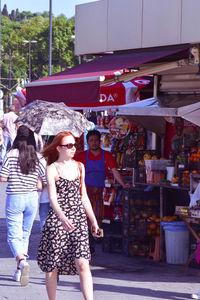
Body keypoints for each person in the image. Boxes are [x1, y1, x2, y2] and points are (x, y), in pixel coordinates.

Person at [37, 131, 99, 300]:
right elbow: (52, 198)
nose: (74, 148)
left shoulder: (80, 166)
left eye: (75, 145)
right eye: (69, 145)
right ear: (59, 148)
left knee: (83, 263)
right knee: (53, 266)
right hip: (58, 221)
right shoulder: (52, 168)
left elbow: (83, 195)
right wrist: (63, 218)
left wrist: (93, 221)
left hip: (78, 219)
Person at [0, 125, 46, 286]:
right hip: (32, 198)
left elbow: (3, 177)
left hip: (15, 197)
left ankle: (21, 261)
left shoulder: (11, 154)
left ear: (17, 137)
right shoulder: (39, 157)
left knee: (13, 235)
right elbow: (45, 181)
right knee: (25, 233)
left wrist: (14, 176)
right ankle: (19, 271)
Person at [74, 129, 130, 226]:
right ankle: (84, 237)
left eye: (96, 140)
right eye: (91, 140)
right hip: (84, 190)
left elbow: (115, 171)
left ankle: (96, 236)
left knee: (98, 215)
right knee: (83, 214)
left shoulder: (107, 155)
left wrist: (123, 184)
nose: (93, 143)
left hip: (98, 191)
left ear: (100, 142)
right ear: (87, 142)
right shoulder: (80, 156)